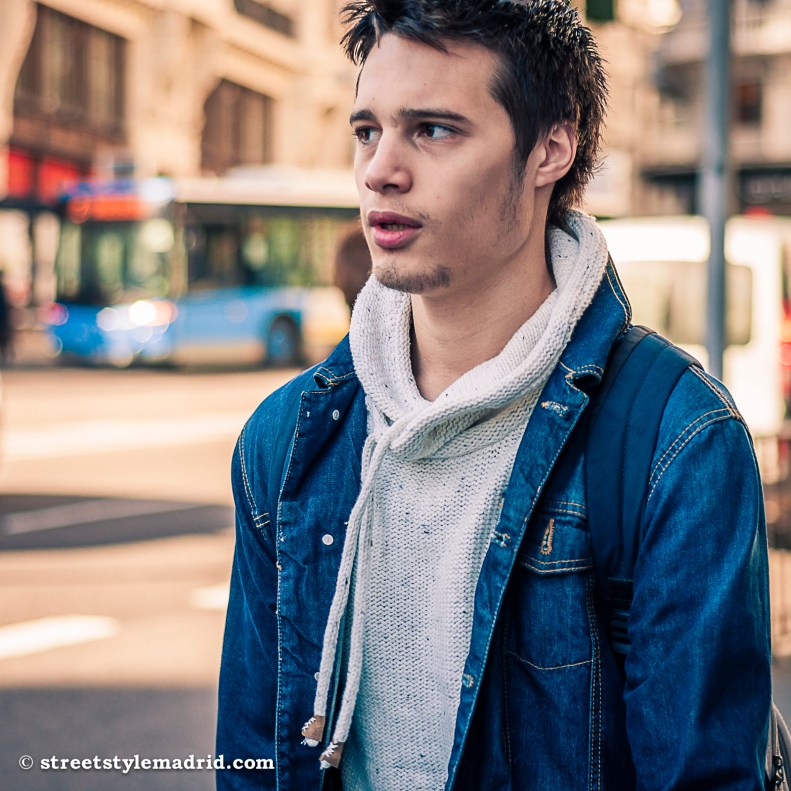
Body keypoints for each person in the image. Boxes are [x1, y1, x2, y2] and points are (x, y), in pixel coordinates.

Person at [216, 1, 771, 789]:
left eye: (433, 130)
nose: (380, 170)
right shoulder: (287, 439)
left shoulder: (675, 440)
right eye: (367, 130)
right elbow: (251, 761)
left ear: (550, 148)